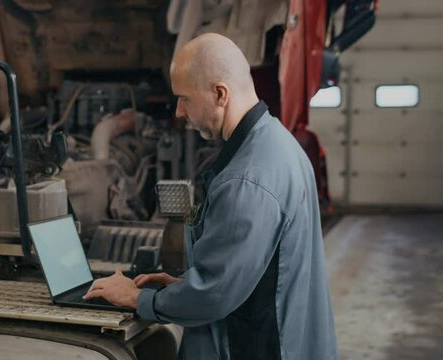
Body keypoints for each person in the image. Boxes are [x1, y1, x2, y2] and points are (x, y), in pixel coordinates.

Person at [84, 33, 338, 360]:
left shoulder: (247, 178)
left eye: (184, 98)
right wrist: (185, 283)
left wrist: (137, 298)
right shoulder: (278, 143)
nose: (177, 111)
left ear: (220, 94)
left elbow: (215, 296)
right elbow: (256, 266)